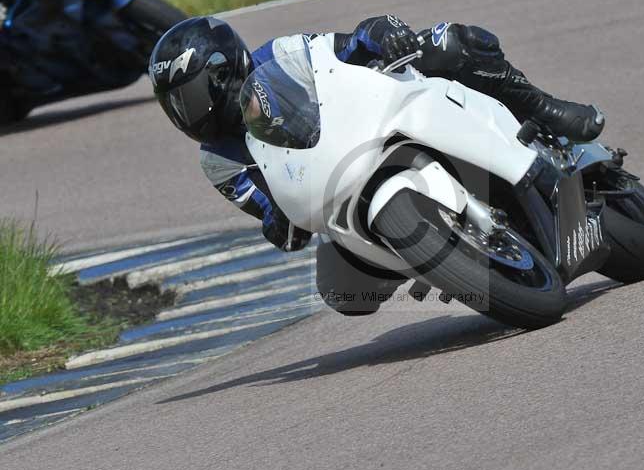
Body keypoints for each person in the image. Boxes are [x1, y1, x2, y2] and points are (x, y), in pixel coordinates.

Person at [149, 15, 605, 313]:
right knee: (341, 293)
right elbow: (265, 206)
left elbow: (343, 49)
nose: (186, 116)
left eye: (190, 98)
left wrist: (378, 33)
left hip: (370, 126)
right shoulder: (218, 162)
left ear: (223, 72)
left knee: (452, 43)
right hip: (335, 192)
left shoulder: (279, 54)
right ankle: (440, 258)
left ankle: (544, 109)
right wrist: (277, 225)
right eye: (175, 107)